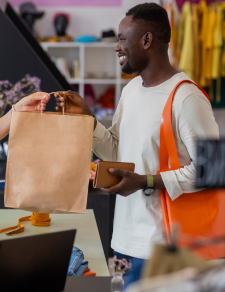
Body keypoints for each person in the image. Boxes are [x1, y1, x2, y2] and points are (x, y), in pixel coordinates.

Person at [54, 2, 219, 277]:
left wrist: (146, 181)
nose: (117, 46)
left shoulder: (186, 97)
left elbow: (213, 169)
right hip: (123, 241)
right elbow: (119, 151)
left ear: (146, 40)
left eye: (121, 38)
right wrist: (88, 120)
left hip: (165, 250)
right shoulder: (131, 91)